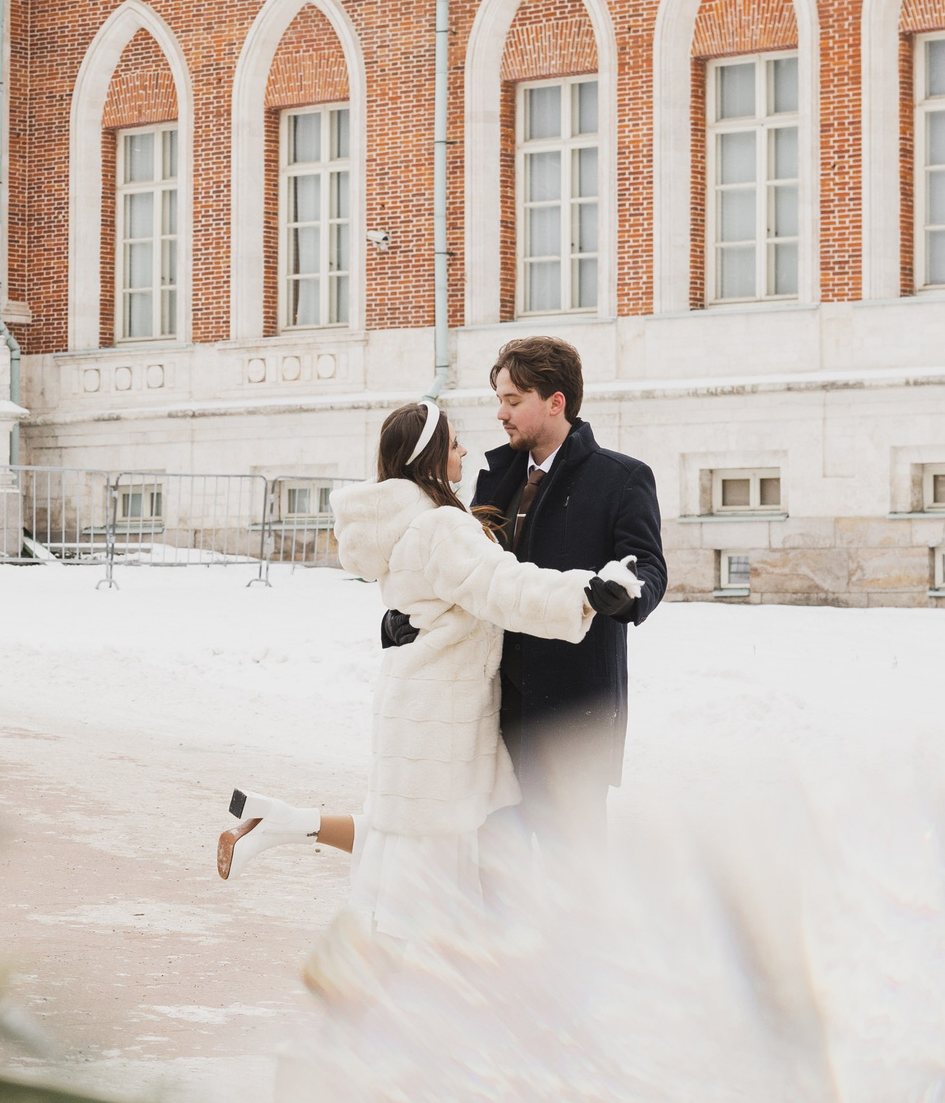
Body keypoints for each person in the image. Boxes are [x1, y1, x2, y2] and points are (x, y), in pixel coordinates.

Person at [216, 399, 641, 940]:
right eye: (454, 442)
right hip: (445, 712)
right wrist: (583, 592)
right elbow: (503, 586)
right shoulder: (441, 527)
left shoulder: (406, 519)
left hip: (418, 702)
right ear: (433, 455)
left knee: (406, 838)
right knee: (432, 867)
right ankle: (417, 971)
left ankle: (283, 823)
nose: (464, 450)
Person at [463, 335, 665, 843]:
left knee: (571, 872)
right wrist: (410, 619)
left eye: (513, 401)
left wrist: (626, 594)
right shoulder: (494, 481)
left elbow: (647, 567)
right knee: (495, 869)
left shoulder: (621, 478)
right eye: (499, 400)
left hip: (573, 717)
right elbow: (466, 571)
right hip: (495, 713)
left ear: (556, 402)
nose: (501, 414)